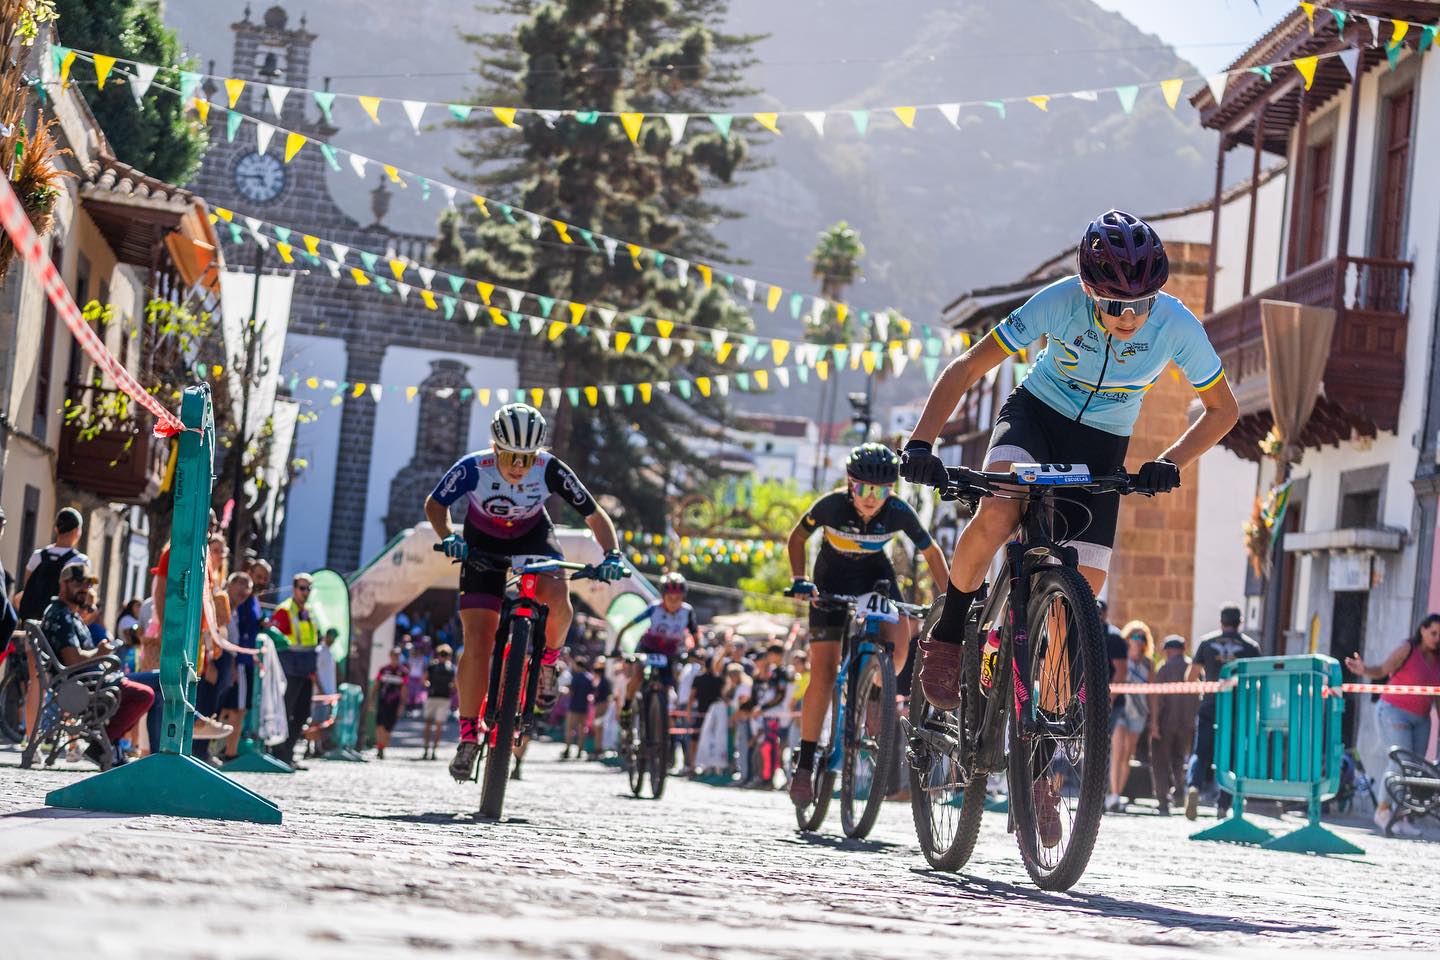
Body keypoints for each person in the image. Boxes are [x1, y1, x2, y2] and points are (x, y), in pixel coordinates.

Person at [899, 210, 1238, 838]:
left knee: (1073, 606)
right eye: (1113, 303)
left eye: (1140, 304)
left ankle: (1041, 773)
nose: (1128, 317)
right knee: (1000, 505)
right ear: (1087, 288)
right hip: (1036, 417)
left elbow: (1223, 409)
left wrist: (1169, 462)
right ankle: (949, 631)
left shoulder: (1175, 325)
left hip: (1103, 446)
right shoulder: (1057, 302)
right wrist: (920, 443)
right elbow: (969, 367)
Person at [425, 403, 628, 783]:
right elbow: (435, 505)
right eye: (511, 455)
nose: (519, 465)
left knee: (557, 590)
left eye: (527, 457)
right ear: (495, 447)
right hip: (481, 543)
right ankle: (469, 736)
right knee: (479, 639)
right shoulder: (473, 467)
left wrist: (613, 554)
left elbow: (594, 514)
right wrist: (448, 536)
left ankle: (548, 661)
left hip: (532, 536)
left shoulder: (549, 468)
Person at [784, 443, 950, 808]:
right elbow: (797, 537)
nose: (872, 499)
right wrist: (800, 580)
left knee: (901, 645)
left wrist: (952, 599)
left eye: (881, 491)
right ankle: (807, 761)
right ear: (849, 484)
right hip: (830, 581)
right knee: (824, 674)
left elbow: (931, 552)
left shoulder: (897, 512)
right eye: (864, 489)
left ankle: (875, 687)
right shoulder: (831, 506)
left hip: (875, 578)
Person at [40, 564, 153, 767]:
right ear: (63, 584)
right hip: (85, 685)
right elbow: (72, 659)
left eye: (87, 584)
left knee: (158, 681)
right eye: (78, 582)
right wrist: (100, 653)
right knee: (147, 693)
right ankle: (104, 746)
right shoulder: (61, 615)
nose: (84, 588)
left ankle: (121, 748)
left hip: (95, 680)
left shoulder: (69, 614)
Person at [1345, 613, 1440, 837]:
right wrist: (1363, 669)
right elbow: (1381, 670)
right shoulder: (1407, 649)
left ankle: (1401, 815)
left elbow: (1437, 696)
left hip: (1421, 717)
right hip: (1393, 712)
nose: (1437, 638)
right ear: (1422, 630)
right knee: (1400, 761)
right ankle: (1383, 810)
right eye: (1433, 633)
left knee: (1415, 770)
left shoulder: (1438, 660)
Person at [1184, 602, 1261, 819]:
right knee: (1232, 754)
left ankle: (1194, 787)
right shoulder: (1251, 647)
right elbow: (1257, 680)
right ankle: (1223, 806)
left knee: (1201, 752)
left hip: (1210, 704)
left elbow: (1190, 677)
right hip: (1237, 708)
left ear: (1221, 622)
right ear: (1240, 623)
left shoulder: (1206, 643)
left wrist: (1204, 687)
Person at [615, 572, 699, 728]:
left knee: (668, 685)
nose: (674, 602)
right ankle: (626, 708)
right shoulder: (654, 608)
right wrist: (616, 647)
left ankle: (661, 718)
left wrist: (696, 650)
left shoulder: (687, 612)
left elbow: (695, 634)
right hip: (647, 647)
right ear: (663, 596)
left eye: (678, 598)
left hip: (668, 651)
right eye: (670, 598)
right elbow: (626, 627)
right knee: (638, 677)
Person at [271, 572, 323, 768]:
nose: (306, 592)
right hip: (290, 670)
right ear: (294, 589)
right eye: (302, 588)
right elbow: (276, 641)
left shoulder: (309, 611)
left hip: (306, 670)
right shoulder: (284, 610)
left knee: (302, 713)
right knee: (285, 712)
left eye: (309, 588)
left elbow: (312, 641)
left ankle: (289, 752)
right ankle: (279, 753)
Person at [219, 559, 269, 760]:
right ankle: (228, 751)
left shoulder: (254, 600)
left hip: (245, 659)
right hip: (236, 659)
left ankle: (228, 749)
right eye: (258, 576)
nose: (261, 581)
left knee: (239, 708)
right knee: (233, 708)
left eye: (265, 578)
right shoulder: (240, 600)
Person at [14, 507, 90, 624]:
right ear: (76, 531)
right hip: (60, 622)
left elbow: (26, 588)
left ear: (56, 528)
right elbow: (83, 596)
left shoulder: (37, 555)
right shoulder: (80, 561)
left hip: (32, 622)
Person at [1108, 620, 1153, 812]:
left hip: (1139, 712)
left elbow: (1153, 693)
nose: (1138, 640)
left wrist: (1155, 720)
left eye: (1142, 637)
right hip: (1120, 708)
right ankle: (1113, 794)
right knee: (1117, 751)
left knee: (1127, 754)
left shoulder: (1148, 663)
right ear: (1127, 638)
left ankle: (1118, 794)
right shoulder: (1121, 657)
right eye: (1135, 636)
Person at [1149, 635, 1195, 816]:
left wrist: (1154, 723)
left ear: (1168, 651)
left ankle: (1163, 801)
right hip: (1187, 725)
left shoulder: (1165, 669)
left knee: (1161, 762)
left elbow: (1157, 699)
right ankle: (1180, 793)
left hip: (1165, 723)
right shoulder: (1193, 669)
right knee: (1179, 760)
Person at [422, 643, 456, 760]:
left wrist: (429, 686)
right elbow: (454, 684)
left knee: (431, 724)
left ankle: (428, 749)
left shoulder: (434, 666)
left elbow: (424, 680)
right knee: (437, 725)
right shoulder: (450, 668)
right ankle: (431, 750)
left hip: (434, 697)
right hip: (442, 698)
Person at [373, 646, 407, 759]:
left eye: (397, 656)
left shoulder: (403, 672)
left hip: (394, 703)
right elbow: (376, 685)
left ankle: (383, 747)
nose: (395, 658)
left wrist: (402, 705)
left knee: (388, 727)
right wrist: (371, 700)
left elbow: (404, 689)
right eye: (394, 655)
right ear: (390, 656)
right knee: (379, 725)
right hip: (383, 701)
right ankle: (380, 747)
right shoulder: (383, 669)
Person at [561, 655, 596, 761]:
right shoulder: (590, 678)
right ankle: (580, 750)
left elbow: (571, 692)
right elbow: (592, 693)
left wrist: (564, 691)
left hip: (574, 707)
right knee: (582, 730)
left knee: (569, 729)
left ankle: (567, 749)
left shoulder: (576, 677)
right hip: (584, 707)